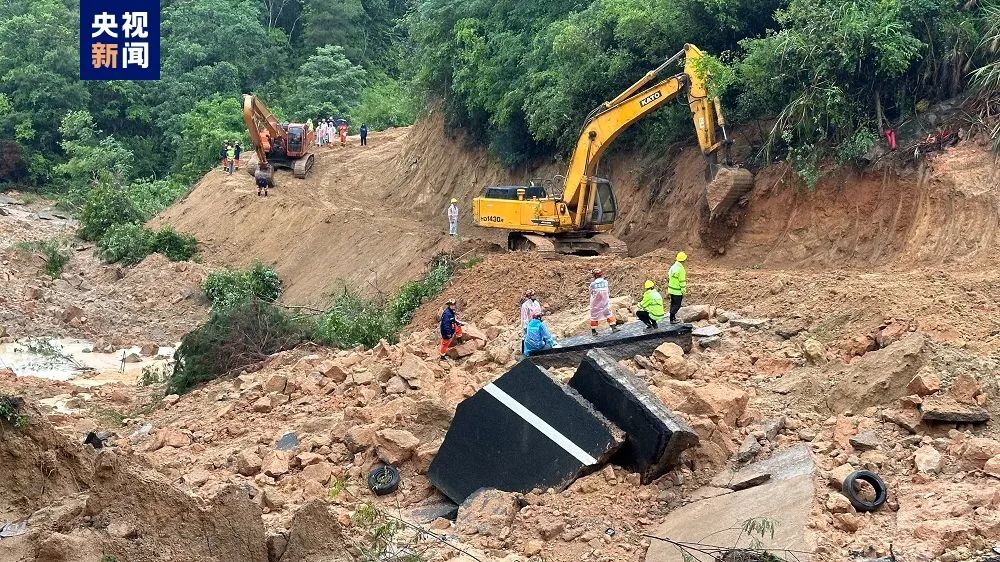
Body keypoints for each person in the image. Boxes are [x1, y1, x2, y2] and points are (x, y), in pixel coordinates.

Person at [589, 268, 618, 336]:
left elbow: (590, 293)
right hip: (605, 302)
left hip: (595, 304)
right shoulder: (605, 282)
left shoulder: (592, 284)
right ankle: (613, 328)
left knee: (594, 316)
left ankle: (593, 331)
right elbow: (608, 291)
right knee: (608, 313)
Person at [668, 251, 687, 323]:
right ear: (683, 260)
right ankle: (672, 319)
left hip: (671, 290)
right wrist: (683, 291)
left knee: (673, 304)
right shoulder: (681, 269)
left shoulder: (673, 266)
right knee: (677, 305)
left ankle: (672, 318)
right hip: (677, 291)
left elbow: (669, 275)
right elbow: (682, 281)